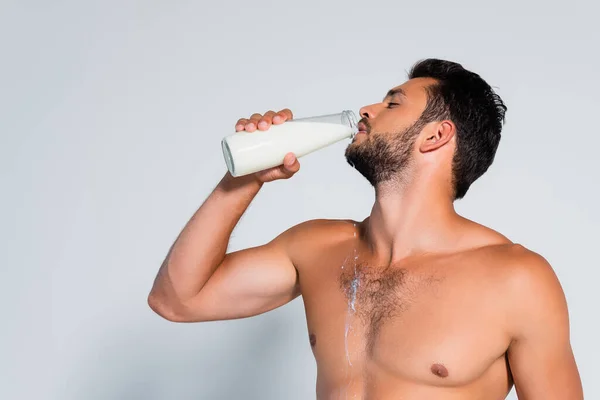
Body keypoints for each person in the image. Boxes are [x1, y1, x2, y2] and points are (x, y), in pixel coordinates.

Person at [148, 59, 583, 399]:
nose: (367, 110)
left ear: (435, 136)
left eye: (392, 103)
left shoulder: (516, 279)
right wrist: (242, 181)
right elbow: (177, 299)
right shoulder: (317, 247)